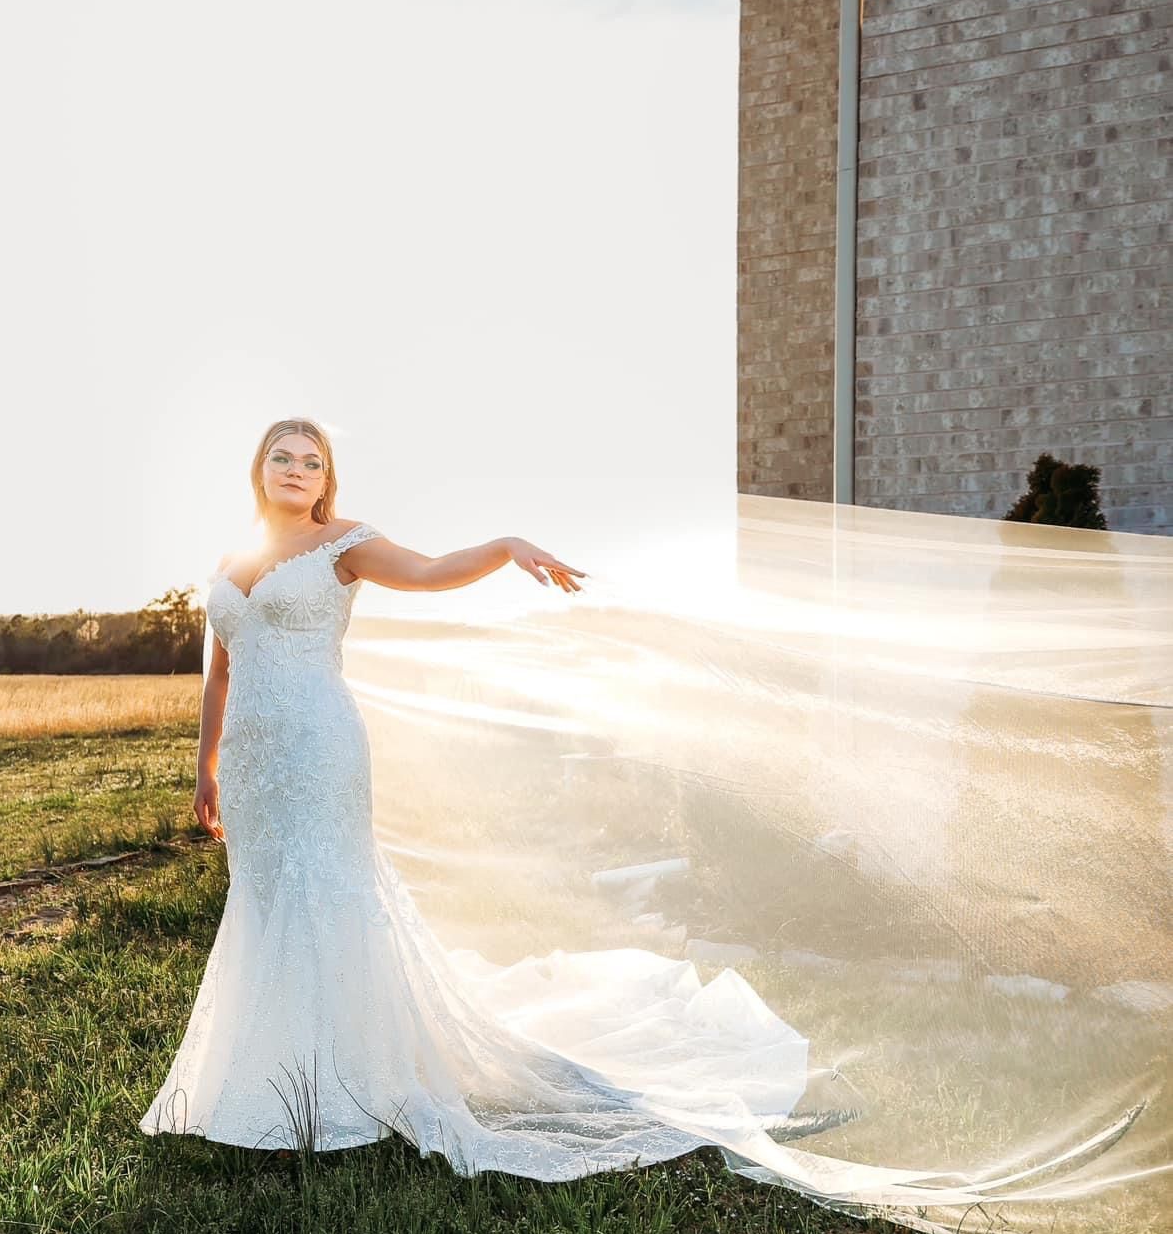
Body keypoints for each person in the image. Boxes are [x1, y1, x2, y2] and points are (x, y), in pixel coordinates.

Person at [139, 416, 811, 1174]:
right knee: (262, 899)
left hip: (320, 744)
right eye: (281, 458)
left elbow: (427, 572)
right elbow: (219, 672)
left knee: (327, 890)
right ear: (258, 470)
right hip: (255, 763)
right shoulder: (231, 559)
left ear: (328, 480)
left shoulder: (346, 542)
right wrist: (208, 766)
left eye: (312, 462)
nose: (295, 470)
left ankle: (348, 1082)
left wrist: (502, 548)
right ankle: (267, 1075)